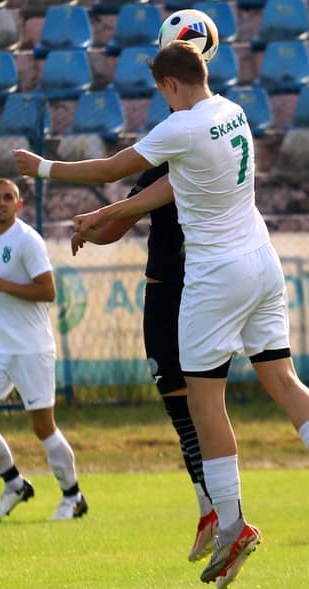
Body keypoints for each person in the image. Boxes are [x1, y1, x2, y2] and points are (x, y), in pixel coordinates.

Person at [15, 41, 309, 589]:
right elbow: (175, 183)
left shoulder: (181, 126)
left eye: (162, 91)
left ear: (170, 83)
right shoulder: (233, 112)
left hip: (215, 276)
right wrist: (107, 214)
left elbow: (111, 167)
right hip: (263, 262)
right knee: (284, 379)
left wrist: (44, 168)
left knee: (204, 403)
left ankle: (233, 524)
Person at [71, 162, 217, 562]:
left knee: (182, 407)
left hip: (169, 294)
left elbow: (113, 228)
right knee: (206, 404)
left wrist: (87, 230)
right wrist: (91, 230)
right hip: (214, 288)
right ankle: (215, 509)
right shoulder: (215, 164)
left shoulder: (164, 172)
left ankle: (218, 512)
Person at [0, 178, 87, 523]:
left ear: (19, 205)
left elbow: (47, 291)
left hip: (32, 348)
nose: (1, 203)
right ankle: (15, 484)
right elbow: (5, 287)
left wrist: (0, 285)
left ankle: (73, 496)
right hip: (0, 347)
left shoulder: (28, 240)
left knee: (43, 427)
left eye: (8, 198)